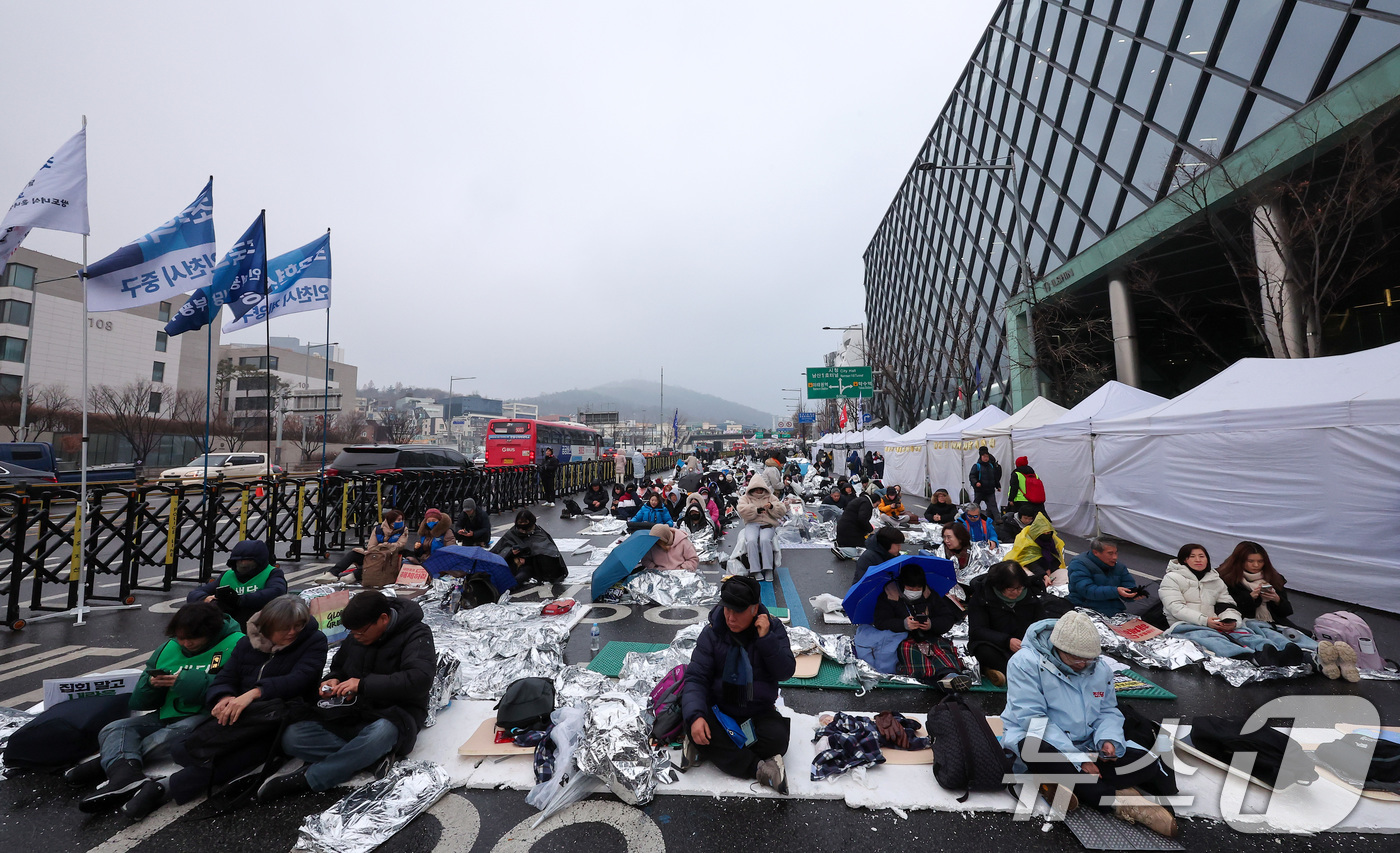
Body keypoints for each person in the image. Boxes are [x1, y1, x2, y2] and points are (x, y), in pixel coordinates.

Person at [1001, 612, 1179, 837]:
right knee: (1036, 749)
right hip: (1041, 739)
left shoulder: (1099, 667)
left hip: (1086, 742)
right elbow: (1032, 719)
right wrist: (1078, 759)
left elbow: (1107, 711)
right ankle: (1118, 800)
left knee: (1147, 763)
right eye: (1077, 658)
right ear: (1058, 647)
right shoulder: (1025, 663)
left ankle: (1063, 782)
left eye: (1089, 658)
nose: (1083, 664)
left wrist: (1108, 740)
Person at [152, 597, 328, 817]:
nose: (292, 632)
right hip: (245, 712)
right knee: (182, 749)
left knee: (242, 755)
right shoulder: (247, 643)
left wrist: (254, 693)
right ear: (268, 627)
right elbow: (227, 676)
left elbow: (301, 678)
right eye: (285, 628)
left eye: (298, 626)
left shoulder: (314, 641)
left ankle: (164, 788)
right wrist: (223, 697)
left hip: (283, 713)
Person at [259, 591, 436, 802]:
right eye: (352, 632)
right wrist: (333, 679)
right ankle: (369, 758)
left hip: (395, 713)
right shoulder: (357, 634)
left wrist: (362, 685)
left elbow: (418, 680)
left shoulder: (416, 634)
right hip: (352, 711)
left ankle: (310, 778)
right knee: (292, 737)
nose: (356, 636)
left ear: (383, 619)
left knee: (380, 734)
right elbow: (339, 667)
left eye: (361, 631)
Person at [74, 602, 243, 814]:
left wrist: (184, 681)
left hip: (206, 715)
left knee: (172, 735)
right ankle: (125, 775)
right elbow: (140, 701)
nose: (186, 643)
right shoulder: (168, 648)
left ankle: (116, 761)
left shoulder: (236, 644)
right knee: (115, 728)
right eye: (181, 638)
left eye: (193, 638)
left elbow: (235, 685)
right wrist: (150, 686)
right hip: (166, 713)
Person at [680, 576, 796, 794]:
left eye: (738, 611)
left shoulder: (772, 629)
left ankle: (705, 749)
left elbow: (785, 672)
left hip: (755, 713)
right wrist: (696, 717)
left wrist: (766, 640)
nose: (730, 618)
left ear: (754, 609)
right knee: (694, 720)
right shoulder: (713, 632)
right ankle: (759, 770)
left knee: (778, 740)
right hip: (719, 711)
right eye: (727, 610)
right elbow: (696, 678)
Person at [1159, 544, 1300, 660]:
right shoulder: (1172, 578)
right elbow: (1175, 607)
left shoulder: (1215, 580)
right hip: (1186, 624)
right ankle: (1246, 657)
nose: (1198, 560)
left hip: (1214, 622)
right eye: (1192, 557)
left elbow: (1228, 604)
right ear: (1184, 560)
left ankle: (1276, 651)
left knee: (1244, 632)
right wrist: (1205, 620)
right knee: (1211, 639)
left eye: (1202, 556)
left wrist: (1230, 620)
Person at [869, 563, 970, 689]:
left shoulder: (930, 595)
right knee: (912, 651)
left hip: (929, 635)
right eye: (910, 589)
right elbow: (880, 622)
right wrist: (903, 624)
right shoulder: (888, 596)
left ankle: (950, 675)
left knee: (940, 649)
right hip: (901, 639)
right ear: (902, 584)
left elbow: (947, 617)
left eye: (918, 589)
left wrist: (931, 624)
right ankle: (938, 679)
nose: (914, 592)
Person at [966, 560, 1043, 686]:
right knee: (983, 651)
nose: (1017, 592)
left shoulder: (1030, 595)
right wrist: (1007, 641)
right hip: (997, 645)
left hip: (1025, 645)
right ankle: (1009, 671)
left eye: (1019, 588)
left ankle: (1006, 672)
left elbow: (1040, 622)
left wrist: (1030, 641)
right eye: (1011, 589)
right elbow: (977, 631)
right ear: (999, 586)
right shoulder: (982, 597)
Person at [187, 540, 287, 630]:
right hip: (226, 626)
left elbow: (276, 592)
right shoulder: (227, 576)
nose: (243, 564)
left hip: (259, 625)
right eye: (239, 561)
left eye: (248, 561)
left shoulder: (272, 573)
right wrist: (205, 599)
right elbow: (194, 594)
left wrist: (239, 600)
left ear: (259, 562)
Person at [1215, 541, 1307, 638]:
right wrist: (1250, 598)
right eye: (1250, 561)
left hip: (1275, 623)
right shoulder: (1227, 579)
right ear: (1240, 561)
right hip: (1245, 623)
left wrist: (1277, 600)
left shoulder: (1274, 578)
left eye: (1260, 561)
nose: (1256, 565)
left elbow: (1286, 612)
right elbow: (1224, 607)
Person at [491, 509, 567, 584]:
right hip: (514, 564)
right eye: (520, 523)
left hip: (532, 567)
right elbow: (500, 550)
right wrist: (511, 552)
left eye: (525, 523)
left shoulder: (538, 533)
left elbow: (547, 550)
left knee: (520, 578)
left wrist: (527, 559)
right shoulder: (512, 533)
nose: (523, 527)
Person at [1067, 537, 1138, 616]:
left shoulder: (1120, 567)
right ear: (1095, 552)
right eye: (1110, 553)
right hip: (1085, 607)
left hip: (1113, 610)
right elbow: (1087, 590)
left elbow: (1128, 586)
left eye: (1116, 553)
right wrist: (1116, 591)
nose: (1115, 557)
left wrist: (1132, 595)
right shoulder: (1078, 564)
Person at [736, 474, 788, 582]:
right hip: (752, 524)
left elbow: (782, 509)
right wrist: (755, 510)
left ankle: (768, 568)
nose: (759, 491)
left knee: (765, 540)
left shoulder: (771, 497)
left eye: (761, 489)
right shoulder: (745, 498)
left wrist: (772, 506)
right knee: (750, 541)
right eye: (756, 489)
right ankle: (755, 570)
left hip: (767, 524)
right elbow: (741, 509)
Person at [334, 510, 407, 584]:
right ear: (391, 521)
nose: (401, 522)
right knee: (354, 554)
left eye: (401, 520)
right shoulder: (378, 529)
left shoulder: (403, 530)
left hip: (389, 557)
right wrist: (381, 547)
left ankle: (353, 576)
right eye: (399, 520)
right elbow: (371, 547)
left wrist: (383, 545)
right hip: (374, 553)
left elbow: (400, 545)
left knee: (375, 562)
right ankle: (332, 573)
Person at [1006, 512, 1065, 589]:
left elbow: (1056, 560)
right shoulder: (1028, 543)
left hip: (1048, 571)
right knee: (1028, 578)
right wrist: (1044, 575)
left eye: (1048, 533)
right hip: (1026, 568)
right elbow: (1031, 564)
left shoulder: (1053, 543)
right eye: (1044, 533)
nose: (1047, 535)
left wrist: (1049, 570)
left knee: (1065, 575)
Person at [968, 446, 1002, 524]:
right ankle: (971, 517)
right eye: (984, 456)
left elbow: (994, 477)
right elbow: (972, 476)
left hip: (990, 490)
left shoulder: (991, 466)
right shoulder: (977, 466)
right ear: (981, 457)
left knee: (993, 505)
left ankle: (997, 519)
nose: (986, 458)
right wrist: (976, 482)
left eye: (987, 456)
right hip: (980, 490)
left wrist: (998, 486)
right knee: (975, 505)